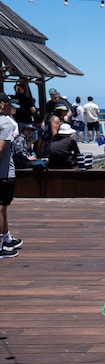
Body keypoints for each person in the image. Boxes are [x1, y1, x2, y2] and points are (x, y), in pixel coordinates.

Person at [0, 92, 23, 259]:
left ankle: (6, 238)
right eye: (8, 104)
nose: (11, 106)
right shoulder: (6, 123)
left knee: (3, 210)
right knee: (1, 209)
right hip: (4, 173)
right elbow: (1, 150)